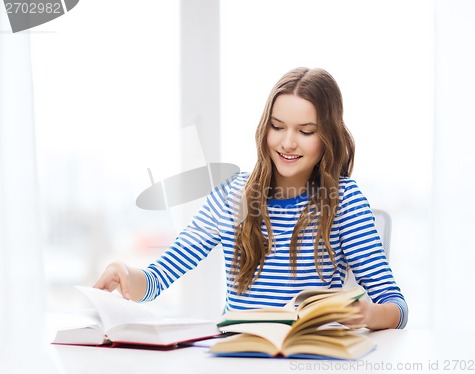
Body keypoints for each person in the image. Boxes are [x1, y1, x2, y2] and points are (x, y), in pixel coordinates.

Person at [94, 67, 408, 330]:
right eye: (277, 127)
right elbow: (159, 277)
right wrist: (126, 274)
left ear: (327, 136)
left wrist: (367, 314)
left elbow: (395, 306)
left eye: (306, 131)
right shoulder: (232, 196)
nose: (287, 142)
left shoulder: (344, 201)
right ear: (264, 129)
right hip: (238, 357)